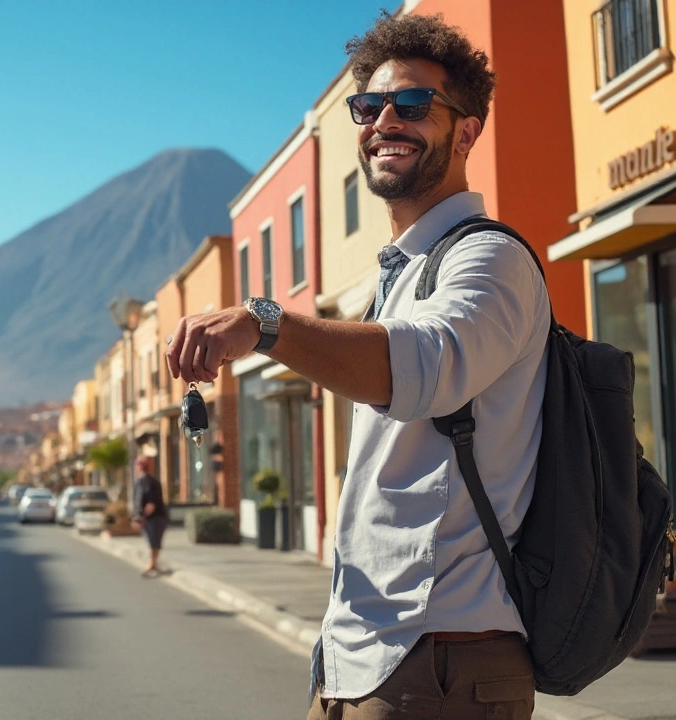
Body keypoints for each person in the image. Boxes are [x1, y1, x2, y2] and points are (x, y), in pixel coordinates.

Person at [165, 12, 549, 720]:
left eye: (412, 105)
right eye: (368, 107)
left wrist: (265, 322)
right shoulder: (403, 275)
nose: (384, 122)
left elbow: (427, 366)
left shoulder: (489, 257)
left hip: (441, 663)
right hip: (363, 656)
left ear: (467, 130)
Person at [130, 455, 167, 578]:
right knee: (151, 542)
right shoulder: (140, 482)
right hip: (148, 518)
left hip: (155, 518)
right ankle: (154, 564)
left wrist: (141, 517)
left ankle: (153, 564)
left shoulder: (151, 482)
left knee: (154, 541)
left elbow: (151, 504)